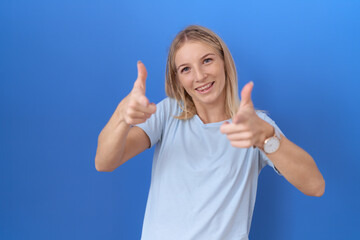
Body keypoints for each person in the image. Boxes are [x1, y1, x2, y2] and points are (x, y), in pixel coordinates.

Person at [95, 25, 325, 240]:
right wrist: (121, 116)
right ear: (178, 79)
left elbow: (315, 186)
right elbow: (105, 162)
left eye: (207, 61)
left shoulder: (254, 125)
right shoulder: (168, 113)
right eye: (186, 69)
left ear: (224, 61)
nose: (199, 76)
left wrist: (267, 138)